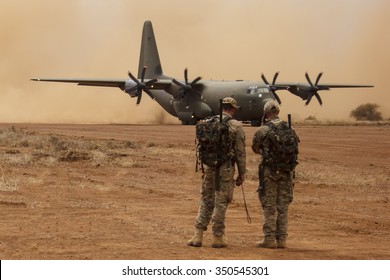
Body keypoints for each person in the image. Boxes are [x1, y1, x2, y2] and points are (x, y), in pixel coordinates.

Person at [187, 97, 246, 248]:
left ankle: (197, 235)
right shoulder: (236, 126)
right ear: (232, 109)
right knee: (221, 201)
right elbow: (240, 152)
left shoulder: (208, 122)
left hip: (208, 166)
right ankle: (217, 237)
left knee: (206, 199)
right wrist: (241, 173)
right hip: (225, 168)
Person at [251, 100, 299, 249]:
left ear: (266, 113)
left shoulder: (263, 130)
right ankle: (282, 240)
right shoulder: (290, 128)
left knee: (270, 205)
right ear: (278, 112)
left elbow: (255, 148)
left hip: (269, 172)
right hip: (287, 171)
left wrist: (267, 153)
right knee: (283, 206)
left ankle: (269, 239)